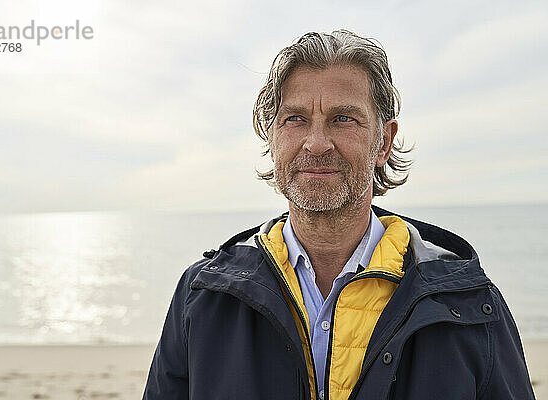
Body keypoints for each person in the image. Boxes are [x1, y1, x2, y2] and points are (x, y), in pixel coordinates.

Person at [143, 30, 536, 400]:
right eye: (295, 119)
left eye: (343, 119)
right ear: (272, 136)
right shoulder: (203, 296)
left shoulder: (470, 303)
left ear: (384, 141)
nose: (316, 144)